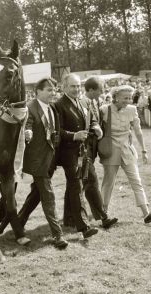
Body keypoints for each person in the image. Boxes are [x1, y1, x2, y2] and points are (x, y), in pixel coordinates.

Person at [19, 77, 68, 249]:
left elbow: (55, 132)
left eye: (54, 89)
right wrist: (28, 132)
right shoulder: (30, 107)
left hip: (49, 159)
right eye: (48, 89)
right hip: (37, 160)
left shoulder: (52, 107)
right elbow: (28, 125)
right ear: (37, 91)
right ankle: (58, 235)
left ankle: (16, 223)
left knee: (36, 195)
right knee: (48, 196)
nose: (52, 92)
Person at [54, 73, 99, 238]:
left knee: (87, 181)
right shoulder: (58, 105)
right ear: (64, 87)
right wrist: (74, 135)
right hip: (67, 152)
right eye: (73, 86)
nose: (76, 89)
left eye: (78, 85)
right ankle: (84, 227)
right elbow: (56, 131)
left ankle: (73, 218)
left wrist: (96, 126)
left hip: (83, 150)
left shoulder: (84, 101)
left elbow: (91, 119)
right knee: (76, 185)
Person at [100, 85, 151, 223]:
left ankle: (146, 213)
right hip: (110, 150)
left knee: (136, 180)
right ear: (115, 96)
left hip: (127, 149)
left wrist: (144, 150)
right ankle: (104, 211)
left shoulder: (132, 109)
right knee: (108, 182)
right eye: (125, 98)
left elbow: (138, 131)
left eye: (130, 97)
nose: (128, 100)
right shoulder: (104, 110)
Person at [76, 77, 118, 228]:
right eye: (100, 89)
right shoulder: (82, 102)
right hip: (83, 147)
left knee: (81, 182)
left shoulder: (96, 102)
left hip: (92, 148)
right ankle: (103, 217)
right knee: (90, 180)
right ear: (91, 90)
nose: (102, 92)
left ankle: (70, 216)